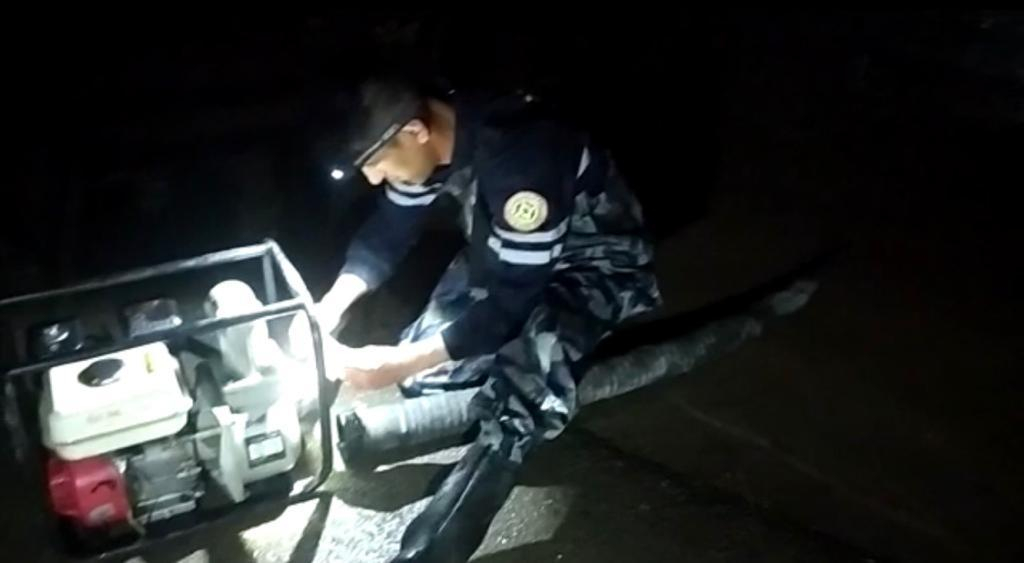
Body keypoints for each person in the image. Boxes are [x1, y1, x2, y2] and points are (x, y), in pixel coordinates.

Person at [319, 79, 661, 562]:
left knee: (527, 383)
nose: (374, 178)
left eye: (376, 162)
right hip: (507, 258)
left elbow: (511, 304)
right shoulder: (432, 142)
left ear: (415, 131)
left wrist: (401, 362)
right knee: (427, 375)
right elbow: (387, 234)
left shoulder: (523, 158)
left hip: (593, 263)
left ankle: (436, 545)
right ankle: (501, 373)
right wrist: (328, 307)